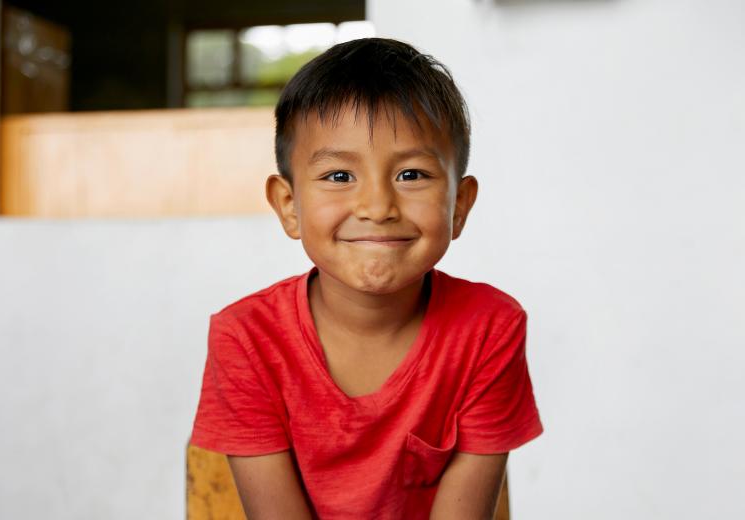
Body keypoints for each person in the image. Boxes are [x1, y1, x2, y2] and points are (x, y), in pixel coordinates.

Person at [190, 37, 543, 520]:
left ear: (459, 205)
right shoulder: (247, 338)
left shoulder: (489, 329)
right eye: (339, 176)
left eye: (412, 174)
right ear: (289, 206)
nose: (377, 208)